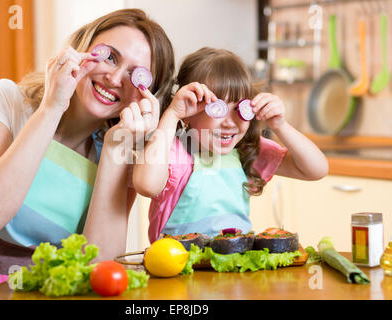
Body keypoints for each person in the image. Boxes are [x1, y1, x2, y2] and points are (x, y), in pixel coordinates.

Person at [0, 8, 175, 299]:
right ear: (81, 50)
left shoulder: (117, 150)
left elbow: (97, 267)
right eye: (109, 57)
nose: (115, 78)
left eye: (135, 75)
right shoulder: (4, 100)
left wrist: (116, 149)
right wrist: (52, 108)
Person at [132, 47, 328, 243]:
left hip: (234, 266)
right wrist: (173, 114)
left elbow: (317, 169)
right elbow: (146, 185)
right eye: (217, 108)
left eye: (239, 108)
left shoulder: (247, 151)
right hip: (178, 268)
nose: (229, 122)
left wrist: (280, 125)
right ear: (190, 110)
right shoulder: (174, 151)